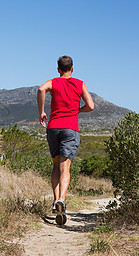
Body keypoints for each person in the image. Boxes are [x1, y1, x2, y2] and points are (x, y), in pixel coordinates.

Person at [37, 56, 94, 215]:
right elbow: (90, 106)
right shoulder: (80, 84)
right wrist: (78, 110)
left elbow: (41, 89)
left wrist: (42, 112)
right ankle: (62, 199)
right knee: (65, 166)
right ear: (73, 68)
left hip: (53, 128)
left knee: (55, 165)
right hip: (70, 129)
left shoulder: (54, 82)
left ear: (58, 69)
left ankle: (56, 202)